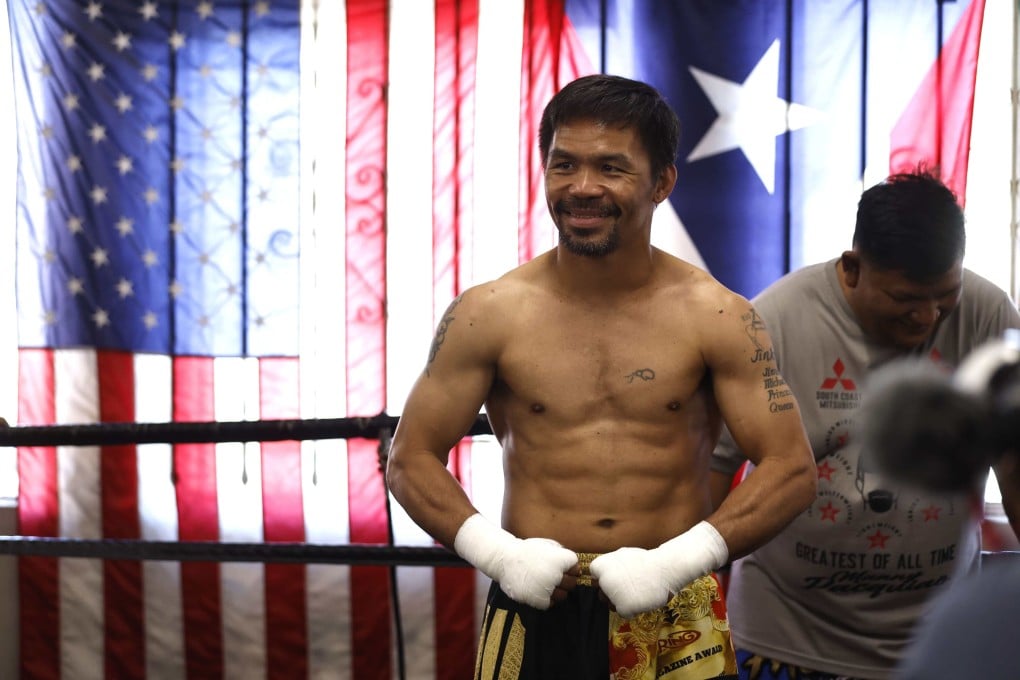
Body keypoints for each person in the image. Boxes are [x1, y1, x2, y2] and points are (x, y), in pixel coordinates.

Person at [386, 73, 817, 680]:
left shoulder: (718, 316)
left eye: (611, 168)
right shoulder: (488, 312)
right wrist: (498, 555)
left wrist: (679, 561)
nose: (582, 188)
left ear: (662, 181)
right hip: (534, 595)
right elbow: (410, 457)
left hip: (673, 602)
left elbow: (792, 469)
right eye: (564, 165)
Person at [710, 169, 1020, 680]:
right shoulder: (775, 321)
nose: (926, 317)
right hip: (786, 641)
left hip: (940, 643)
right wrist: (702, 623)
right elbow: (714, 472)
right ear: (852, 268)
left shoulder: (988, 316)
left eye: (943, 296)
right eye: (905, 300)